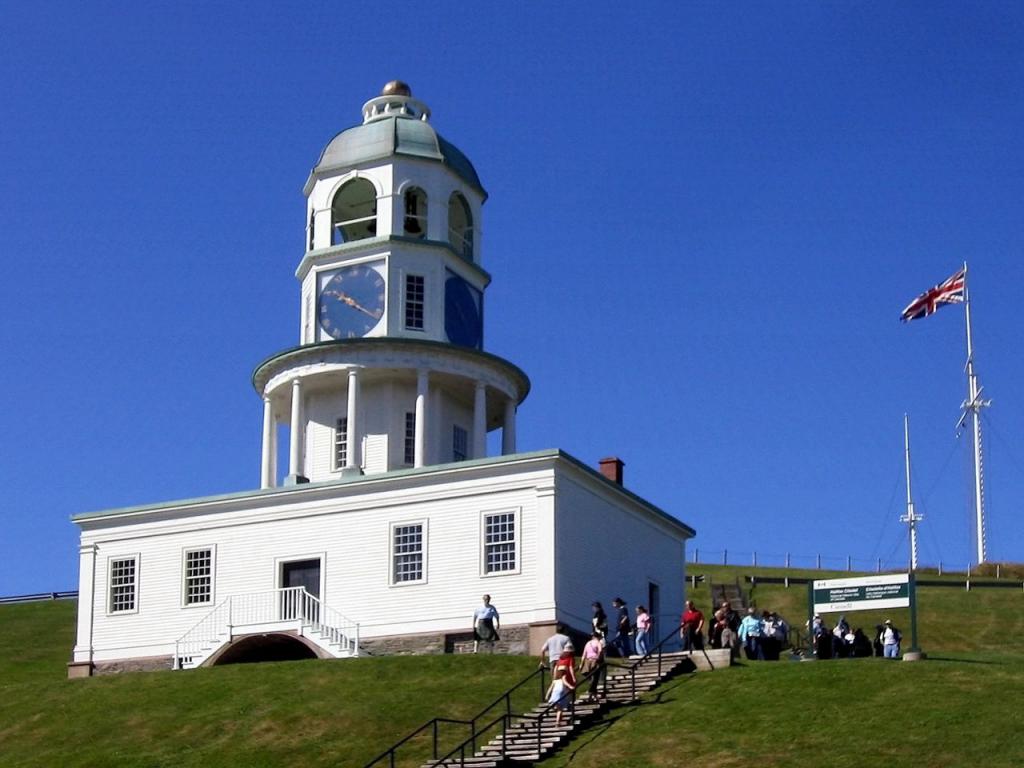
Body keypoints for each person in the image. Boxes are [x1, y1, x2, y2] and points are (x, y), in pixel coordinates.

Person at [580, 632, 606, 701]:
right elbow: (600, 650)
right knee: (595, 678)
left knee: (591, 678)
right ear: (597, 637)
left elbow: (584, 655)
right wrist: (598, 657)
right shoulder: (598, 643)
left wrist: (581, 664)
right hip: (595, 661)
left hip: (587, 662)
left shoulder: (588, 643)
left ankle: (593, 695)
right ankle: (591, 692)